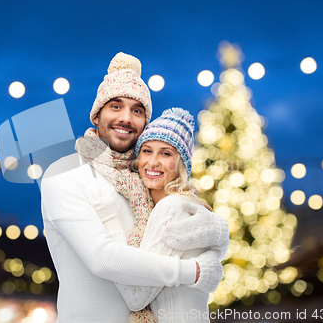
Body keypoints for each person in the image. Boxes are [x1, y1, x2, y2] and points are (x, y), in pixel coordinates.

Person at [40, 52, 224, 323]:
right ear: (96, 115)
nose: (126, 118)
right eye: (115, 106)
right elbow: (101, 258)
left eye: (137, 110)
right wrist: (194, 272)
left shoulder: (147, 181)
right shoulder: (64, 173)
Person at [83, 108, 229, 322]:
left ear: (180, 164)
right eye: (147, 151)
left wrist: (110, 221)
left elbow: (135, 298)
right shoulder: (183, 206)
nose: (152, 162)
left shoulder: (171, 207)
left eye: (166, 153)